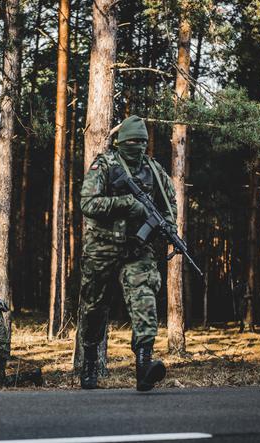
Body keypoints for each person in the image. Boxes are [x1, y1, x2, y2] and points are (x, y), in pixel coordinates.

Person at [77, 115, 177, 391]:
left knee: (145, 299)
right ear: (121, 143)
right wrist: (127, 204)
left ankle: (144, 366)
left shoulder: (155, 171)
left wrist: (167, 227)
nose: (138, 146)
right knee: (95, 307)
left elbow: (169, 206)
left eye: (142, 142)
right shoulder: (105, 165)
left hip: (137, 249)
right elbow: (88, 203)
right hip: (102, 247)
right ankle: (89, 363)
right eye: (133, 141)